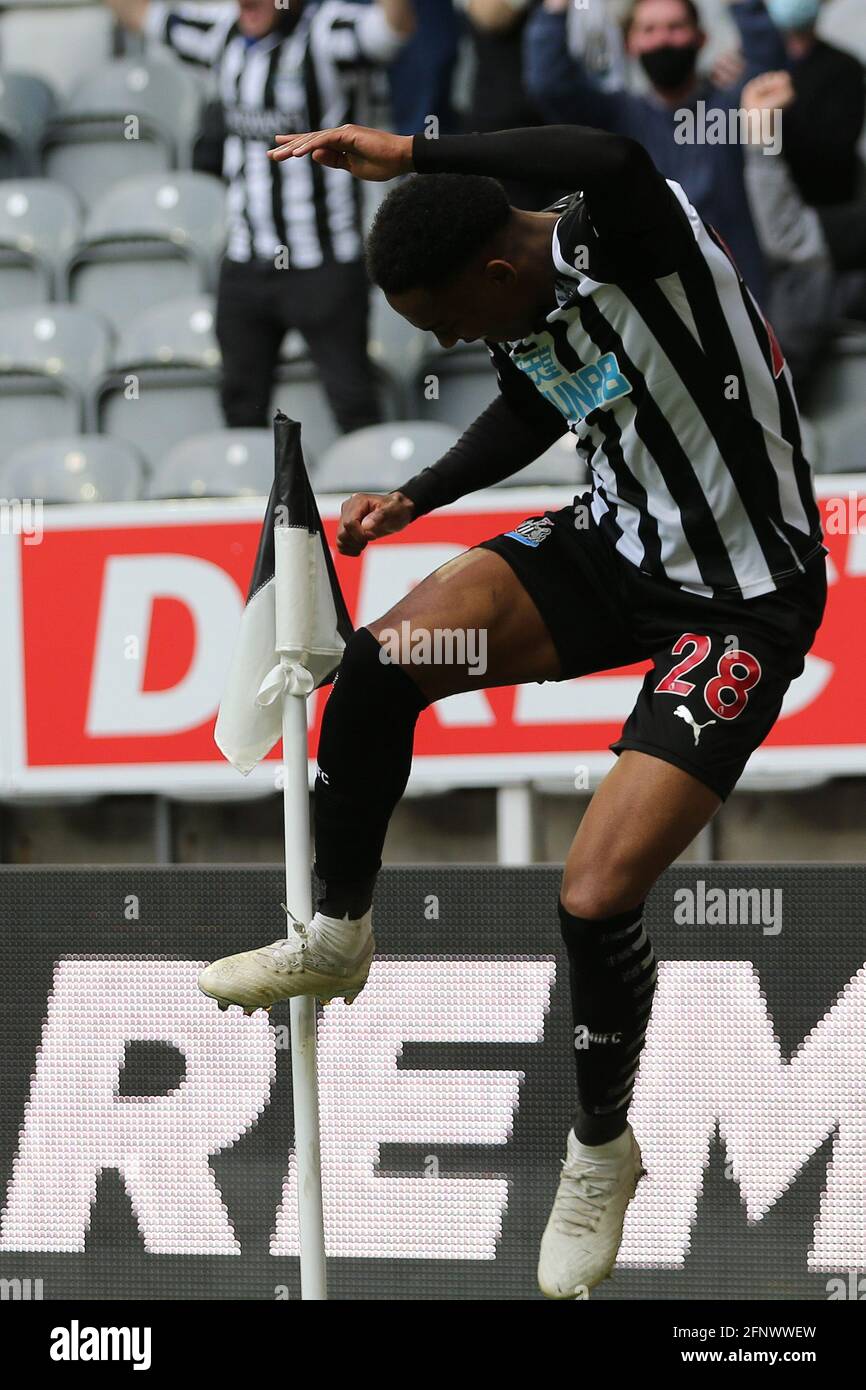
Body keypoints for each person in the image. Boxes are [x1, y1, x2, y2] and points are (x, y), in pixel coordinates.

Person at [198, 120, 827, 1298]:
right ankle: (337, 936)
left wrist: (413, 151)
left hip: (738, 602)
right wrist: (421, 494)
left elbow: (605, 148)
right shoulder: (525, 309)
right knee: (380, 664)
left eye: (444, 321)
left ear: (495, 267)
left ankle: (599, 1149)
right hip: (609, 553)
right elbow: (541, 405)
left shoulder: (626, 239)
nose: (444, 343)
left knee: (592, 896)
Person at [104, 0, 415, 433]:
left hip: (323, 261)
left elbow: (390, 29)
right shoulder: (223, 31)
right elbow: (142, 15)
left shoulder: (325, 33)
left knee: (353, 401)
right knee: (241, 405)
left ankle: (369, 490)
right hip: (245, 261)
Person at [523, 0, 768, 298]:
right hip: (655, 300)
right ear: (630, 44)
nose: (663, 40)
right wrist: (555, 10)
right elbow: (551, 86)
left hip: (739, 288)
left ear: (701, 38)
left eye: (675, 28)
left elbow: (768, 71)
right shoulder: (615, 118)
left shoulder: (730, 110)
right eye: (649, 30)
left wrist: (744, 7)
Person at [730, 0, 864, 207]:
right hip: (763, 203)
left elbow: (836, 149)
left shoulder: (844, 69)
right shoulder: (753, 67)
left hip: (826, 208)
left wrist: (784, 111)